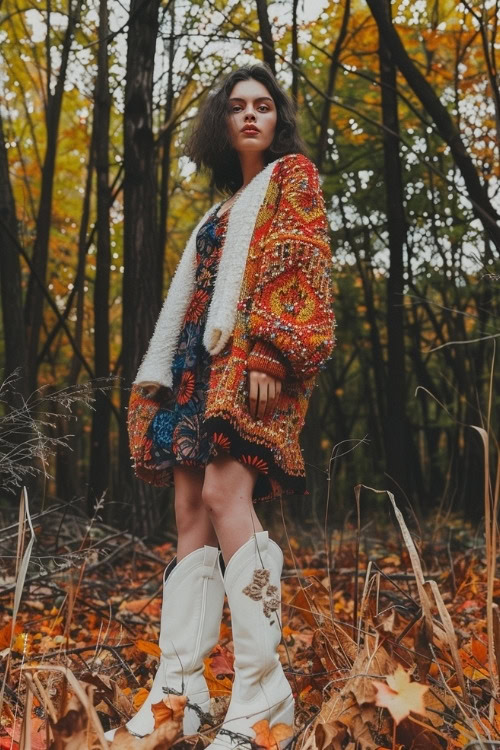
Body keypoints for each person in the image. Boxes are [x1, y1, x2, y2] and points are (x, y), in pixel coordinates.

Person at [106, 64, 337, 748]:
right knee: (189, 515)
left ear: (278, 118)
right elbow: (194, 294)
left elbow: (302, 258)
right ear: (221, 122)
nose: (249, 116)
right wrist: (159, 375)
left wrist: (273, 350)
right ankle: (183, 690)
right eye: (236, 106)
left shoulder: (291, 177)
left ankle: (265, 696)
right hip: (194, 369)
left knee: (225, 496)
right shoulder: (217, 210)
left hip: (250, 362)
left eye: (263, 106)